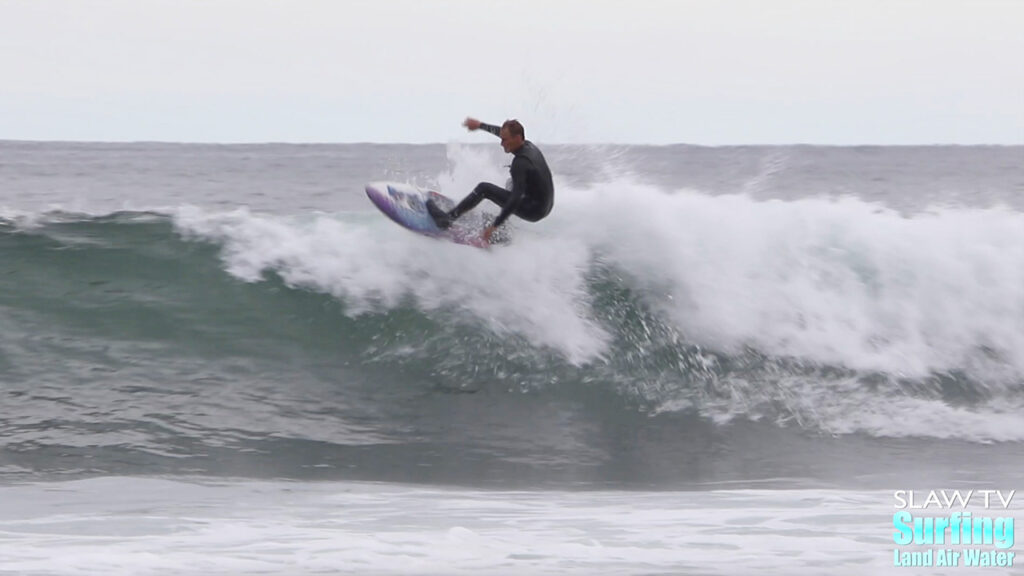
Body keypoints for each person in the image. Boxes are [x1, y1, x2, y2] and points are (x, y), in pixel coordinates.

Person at [427, 117, 554, 244]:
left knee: (484, 189)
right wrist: (480, 125)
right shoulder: (528, 145)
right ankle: (504, 228)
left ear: (517, 138)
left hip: (534, 210)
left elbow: (515, 198)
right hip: (546, 204)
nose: (501, 143)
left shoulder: (520, 163)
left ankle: (446, 220)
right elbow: (501, 132)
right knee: (510, 182)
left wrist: (495, 225)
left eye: (505, 140)